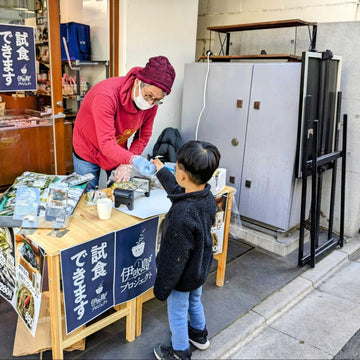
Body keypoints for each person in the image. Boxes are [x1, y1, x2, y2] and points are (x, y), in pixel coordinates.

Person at [151, 140, 221, 360]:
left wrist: (162, 288)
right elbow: (178, 192)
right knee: (195, 301)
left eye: (176, 166)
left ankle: (180, 351)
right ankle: (200, 336)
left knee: (178, 313)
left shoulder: (181, 216)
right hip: (199, 268)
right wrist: (161, 171)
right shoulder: (206, 197)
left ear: (181, 174)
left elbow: (173, 260)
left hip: (182, 276)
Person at [72, 56, 176, 191]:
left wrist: (127, 164)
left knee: (121, 193)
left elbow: (143, 136)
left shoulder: (151, 104)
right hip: (88, 147)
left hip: (116, 148)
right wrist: (133, 160)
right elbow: (106, 143)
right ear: (138, 82)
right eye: (148, 96)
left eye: (157, 100)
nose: (151, 103)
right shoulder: (106, 96)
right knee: (86, 196)